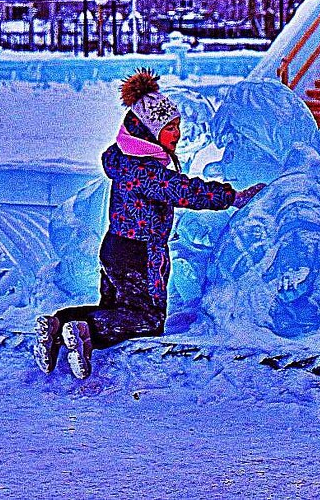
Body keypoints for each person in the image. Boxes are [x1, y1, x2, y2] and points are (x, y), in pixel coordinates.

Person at [34, 69, 264, 379]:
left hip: (114, 247)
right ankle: (84, 330)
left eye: (178, 126)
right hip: (140, 254)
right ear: (148, 132)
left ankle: (60, 323)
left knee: (115, 308)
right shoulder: (147, 172)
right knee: (147, 318)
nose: (177, 134)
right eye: (170, 128)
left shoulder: (125, 160)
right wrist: (231, 196)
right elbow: (184, 190)